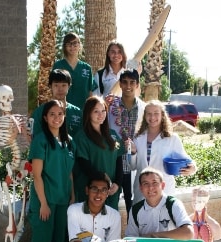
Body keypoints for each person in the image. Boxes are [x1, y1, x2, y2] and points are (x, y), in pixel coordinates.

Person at [28, 100, 76, 242]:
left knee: (61, 240)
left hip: (64, 199)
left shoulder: (68, 141)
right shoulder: (40, 141)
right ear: (45, 118)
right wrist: (44, 203)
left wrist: (72, 197)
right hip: (45, 201)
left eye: (60, 114)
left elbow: (70, 173)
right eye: (52, 114)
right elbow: (36, 176)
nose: (57, 118)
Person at [128, 100, 197, 204]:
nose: (152, 117)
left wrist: (192, 167)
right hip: (142, 192)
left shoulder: (172, 139)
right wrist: (133, 152)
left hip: (164, 192)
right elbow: (132, 167)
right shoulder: (138, 138)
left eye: (156, 113)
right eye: (149, 114)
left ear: (162, 115)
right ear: (145, 116)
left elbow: (188, 161)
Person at [73, 95, 124, 210]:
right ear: (88, 113)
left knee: (109, 225)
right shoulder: (82, 137)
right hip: (91, 192)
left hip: (111, 192)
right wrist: (102, 177)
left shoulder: (112, 135)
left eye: (103, 111)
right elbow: (83, 164)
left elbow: (119, 159)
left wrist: (117, 183)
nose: (101, 115)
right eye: (96, 111)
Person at [107, 69, 146, 215]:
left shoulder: (143, 107)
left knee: (132, 201)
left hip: (133, 160)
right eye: (124, 82)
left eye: (132, 82)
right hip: (115, 160)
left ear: (137, 85)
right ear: (120, 84)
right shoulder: (111, 105)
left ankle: (131, 233)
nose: (128, 86)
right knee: (112, 199)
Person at [125, 167, 194, 239]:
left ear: (163, 185)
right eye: (146, 184)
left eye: (155, 183)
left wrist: (154, 236)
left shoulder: (173, 204)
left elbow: (188, 233)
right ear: (141, 188)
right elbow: (130, 240)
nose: (150, 187)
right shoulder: (135, 210)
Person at [32, 69, 82, 137]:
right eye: (56, 85)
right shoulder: (39, 112)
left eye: (63, 85)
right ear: (50, 86)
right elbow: (35, 138)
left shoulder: (77, 112)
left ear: (69, 86)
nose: (60, 89)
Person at [52, 32, 94, 110]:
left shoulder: (87, 68)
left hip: (83, 111)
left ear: (80, 45)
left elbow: (90, 92)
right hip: (62, 112)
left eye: (75, 43)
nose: (72, 46)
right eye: (69, 44)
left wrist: (90, 110)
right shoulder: (58, 66)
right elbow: (53, 89)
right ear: (64, 46)